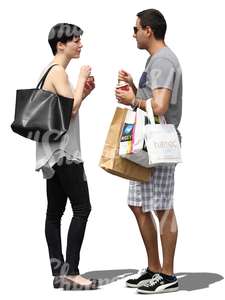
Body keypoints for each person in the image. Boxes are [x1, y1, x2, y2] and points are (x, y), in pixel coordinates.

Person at [115, 9, 182, 294]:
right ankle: (154, 268)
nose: (133, 34)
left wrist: (133, 100)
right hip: (146, 142)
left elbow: (160, 107)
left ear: (148, 31)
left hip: (159, 142)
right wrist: (134, 88)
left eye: (136, 29)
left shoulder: (164, 60)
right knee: (138, 204)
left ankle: (168, 274)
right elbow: (151, 99)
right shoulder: (154, 60)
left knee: (162, 207)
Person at [35, 23, 98, 290]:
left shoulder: (50, 71)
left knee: (55, 213)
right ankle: (71, 272)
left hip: (52, 154)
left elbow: (67, 106)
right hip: (64, 153)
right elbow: (70, 111)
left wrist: (83, 92)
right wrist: (82, 78)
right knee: (82, 208)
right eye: (76, 40)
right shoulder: (59, 70)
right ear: (61, 44)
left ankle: (59, 272)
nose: (80, 44)